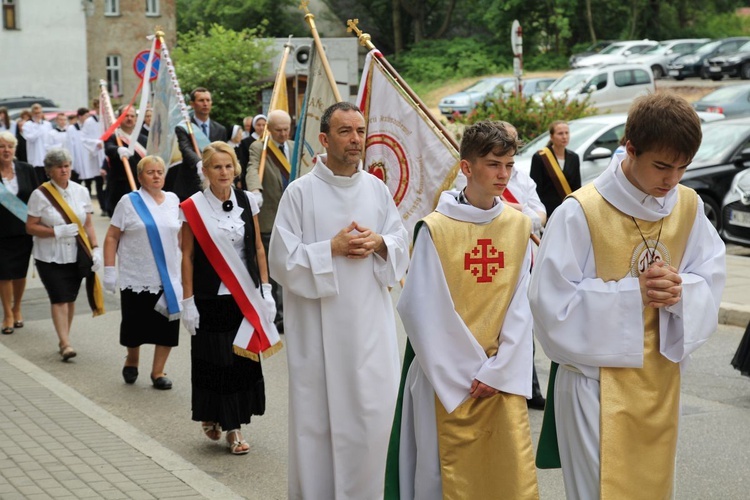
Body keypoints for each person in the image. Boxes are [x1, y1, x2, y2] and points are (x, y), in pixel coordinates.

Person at [529, 93, 726, 499]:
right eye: (661, 166)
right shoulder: (581, 212)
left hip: (659, 384)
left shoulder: (687, 207)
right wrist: (632, 293)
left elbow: (708, 279)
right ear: (630, 149)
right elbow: (551, 306)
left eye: (682, 168)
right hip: (593, 387)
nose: (671, 180)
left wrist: (681, 292)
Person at [389, 121, 539, 499]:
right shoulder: (436, 229)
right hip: (447, 382)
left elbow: (523, 303)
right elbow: (422, 310)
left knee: (503, 477)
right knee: (442, 478)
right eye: (493, 164)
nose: (503, 174)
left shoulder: (519, 227)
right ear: (466, 168)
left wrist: (500, 368)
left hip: (500, 378)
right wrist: (471, 373)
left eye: (509, 164)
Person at [268, 102, 409, 499]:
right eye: (345, 131)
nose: (356, 139)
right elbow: (281, 261)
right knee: (319, 425)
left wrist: (380, 242)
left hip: (371, 329)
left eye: (361, 130)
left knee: (375, 417)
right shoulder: (300, 193)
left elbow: (400, 242)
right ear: (325, 139)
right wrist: (329, 248)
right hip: (319, 332)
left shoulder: (377, 189)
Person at [180, 141, 279, 455]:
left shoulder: (247, 201)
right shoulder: (192, 207)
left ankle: (234, 428)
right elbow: (187, 257)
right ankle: (212, 414)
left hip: (243, 296)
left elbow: (257, 249)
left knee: (238, 362)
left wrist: (265, 289)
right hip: (210, 298)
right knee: (213, 362)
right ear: (206, 170)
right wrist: (187, 301)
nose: (223, 172)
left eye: (228, 166)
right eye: (216, 167)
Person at [103, 155, 182, 390]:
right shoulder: (129, 202)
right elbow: (112, 236)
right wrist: (109, 269)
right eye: (150, 172)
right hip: (137, 274)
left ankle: (158, 372)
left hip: (168, 275)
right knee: (134, 326)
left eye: (160, 171)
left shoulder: (173, 200)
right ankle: (132, 359)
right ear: (140, 176)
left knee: (166, 327)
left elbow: (180, 236)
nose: (156, 176)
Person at [26, 148, 104, 361]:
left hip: (76, 254)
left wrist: (95, 248)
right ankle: (66, 343)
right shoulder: (39, 194)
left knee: (69, 298)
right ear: (49, 171)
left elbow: (87, 223)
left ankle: (64, 338)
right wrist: (55, 232)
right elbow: (30, 227)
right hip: (49, 256)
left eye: (67, 165)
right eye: (59, 166)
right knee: (59, 298)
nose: (64, 170)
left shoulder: (81, 191)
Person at [246, 109, 292, 333]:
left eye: (286, 130)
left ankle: (291, 312)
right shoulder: (260, 148)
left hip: (294, 219)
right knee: (273, 268)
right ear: (269, 130)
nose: (283, 134)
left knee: (293, 265)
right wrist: (255, 189)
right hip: (270, 217)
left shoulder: (295, 146)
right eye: (278, 130)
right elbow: (253, 168)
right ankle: (277, 314)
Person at [0, 132, 39, 334]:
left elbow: (37, 196)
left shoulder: (26, 169)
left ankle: (17, 308)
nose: (6, 150)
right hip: (1, 232)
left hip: (24, 230)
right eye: (1, 146)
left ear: (15, 149)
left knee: (19, 272)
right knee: (4, 273)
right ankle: (7, 313)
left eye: (9, 146)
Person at [171, 87, 229, 201]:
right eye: (201, 100)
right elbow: (185, 148)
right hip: (189, 185)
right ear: (192, 104)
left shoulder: (220, 129)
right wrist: (198, 163)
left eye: (208, 100)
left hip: (214, 185)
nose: (205, 104)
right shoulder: (183, 127)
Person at [529, 120, 581, 216]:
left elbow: (577, 187)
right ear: (552, 136)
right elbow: (536, 188)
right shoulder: (541, 157)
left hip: (568, 210)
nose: (564, 137)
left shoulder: (574, 157)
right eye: (560, 133)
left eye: (567, 133)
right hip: (548, 211)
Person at [104, 106, 146, 216]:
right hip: (119, 186)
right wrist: (118, 149)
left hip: (140, 185)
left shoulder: (143, 139)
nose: (129, 118)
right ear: (119, 118)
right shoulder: (114, 137)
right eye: (126, 115)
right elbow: (108, 148)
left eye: (132, 116)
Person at [21, 103, 53, 183]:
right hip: (35, 159)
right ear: (32, 113)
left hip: (46, 158)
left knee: (48, 182)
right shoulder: (27, 125)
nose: (37, 115)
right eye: (35, 113)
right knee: (37, 182)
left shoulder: (47, 124)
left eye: (39, 112)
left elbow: (50, 139)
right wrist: (39, 128)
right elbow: (29, 138)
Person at [236, 114, 266, 191]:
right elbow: (243, 162)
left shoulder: (269, 141)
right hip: (250, 175)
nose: (261, 127)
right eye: (258, 125)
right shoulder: (245, 142)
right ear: (254, 126)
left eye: (264, 125)